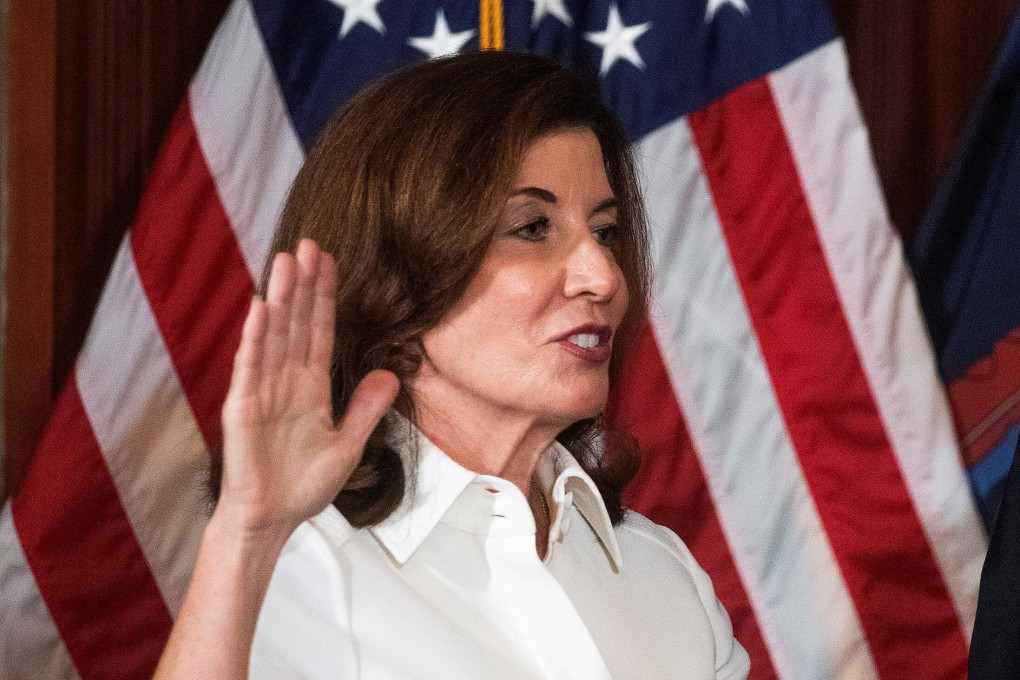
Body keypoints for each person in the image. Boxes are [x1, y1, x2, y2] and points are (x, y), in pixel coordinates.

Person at [154, 51, 750, 679]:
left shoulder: (663, 573)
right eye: (531, 228)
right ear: (396, 277)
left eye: (604, 232)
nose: (603, 276)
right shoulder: (297, 575)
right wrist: (245, 540)